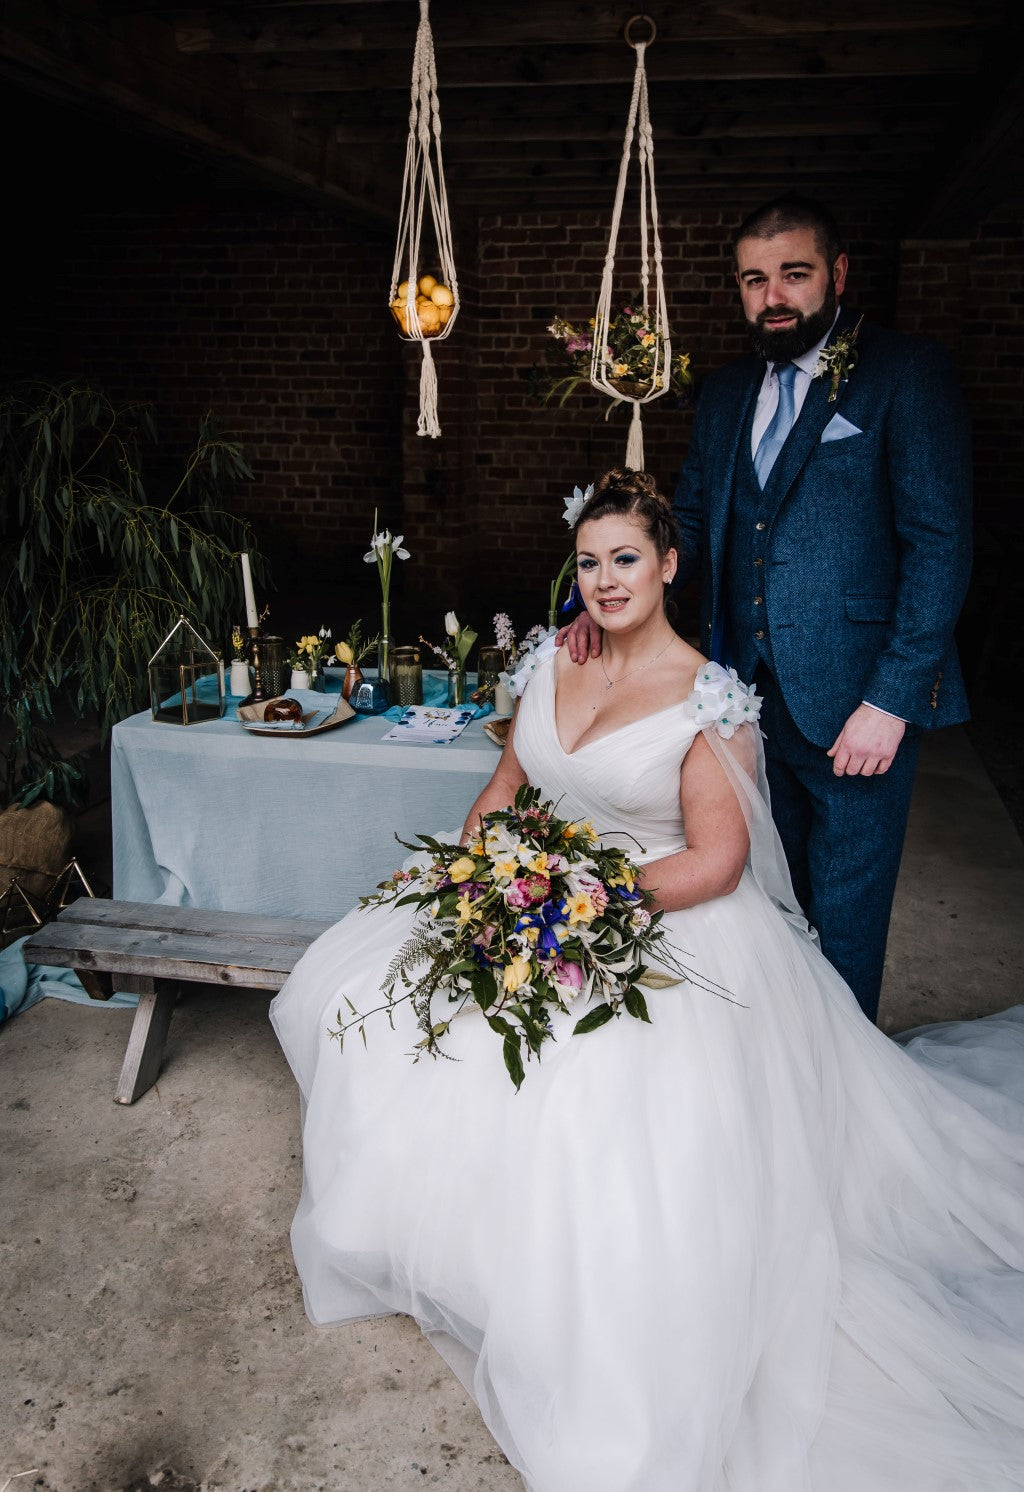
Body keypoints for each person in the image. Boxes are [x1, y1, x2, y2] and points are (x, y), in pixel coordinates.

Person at [271, 471, 1023, 1492]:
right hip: (535, 890)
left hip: (656, 912)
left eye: (626, 558)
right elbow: (503, 790)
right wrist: (483, 879)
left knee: (603, 1109)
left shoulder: (709, 695)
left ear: (668, 565)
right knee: (358, 995)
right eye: (588, 562)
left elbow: (713, 860)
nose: (605, 580)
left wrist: (574, 906)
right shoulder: (551, 660)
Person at [561, 198, 972, 1024]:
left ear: (837, 274)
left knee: (846, 914)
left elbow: (940, 544)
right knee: (759, 901)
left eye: (794, 274)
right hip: (737, 700)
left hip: (858, 701)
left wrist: (892, 700)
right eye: (755, 279)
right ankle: (777, 1066)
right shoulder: (724, 392)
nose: (773, 296)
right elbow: (691, 530)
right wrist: (603, 605)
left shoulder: (905, 372)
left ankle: (843, 1093)